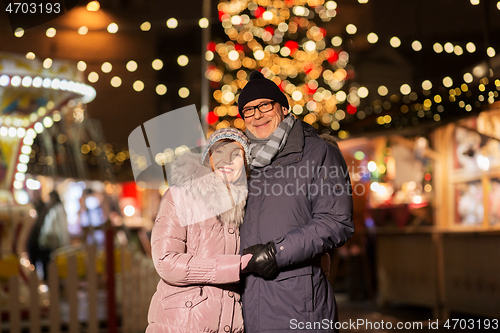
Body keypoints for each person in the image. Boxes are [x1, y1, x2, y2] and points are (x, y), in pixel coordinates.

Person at [238, 71, 354, 332]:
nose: (257, 115)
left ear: (283, 106)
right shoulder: (241, 163)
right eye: (248, 110)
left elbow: (337, 221)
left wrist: (276, 253)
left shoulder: (318, 152)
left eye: (264, 105)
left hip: (298, 301)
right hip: (246, 301)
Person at [146, 128, 253, 333]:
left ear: (246, 163)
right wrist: (235, 267)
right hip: (182, 323)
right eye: (219, 152)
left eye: (236, 154)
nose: (226, 160)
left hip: (231, 322)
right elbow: (166, 262)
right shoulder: (181, 196)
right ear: (207, 159)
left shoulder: (247, 205)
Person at [38, 190, 70, 281]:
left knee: (51, 264)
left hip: (53, 243)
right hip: (48, 242)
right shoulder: (54, 209)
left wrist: (62, 243)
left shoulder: (58, 209)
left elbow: (61, 228)